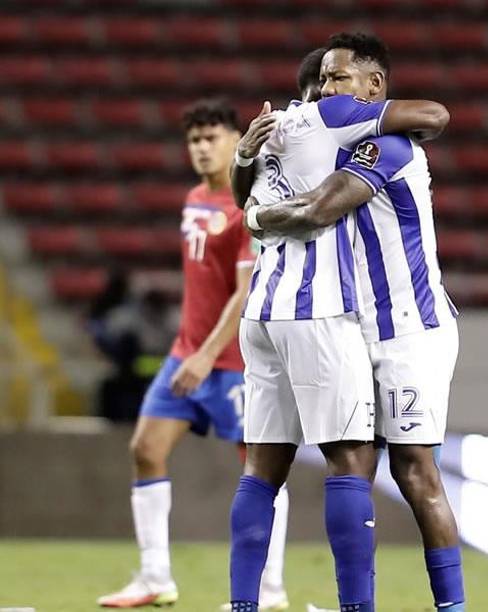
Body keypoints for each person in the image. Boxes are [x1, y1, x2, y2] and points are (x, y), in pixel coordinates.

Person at [241, 32, 466, 612]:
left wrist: (259, 217)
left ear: (374, 86)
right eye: (321, 80)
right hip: (351, 322)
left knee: (416, 471)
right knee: (356, 462)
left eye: (338, 78)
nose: (325, 89)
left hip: (409, 327)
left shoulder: (388, 147)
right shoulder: (337, 140)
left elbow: (320, 206)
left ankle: (453, 606)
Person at [96, 99, 291, 611]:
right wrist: (193, 350)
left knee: (260, 469)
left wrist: (207, 355)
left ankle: (269, 590)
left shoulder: (248, 207)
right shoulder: (193, 200)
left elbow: (244, 293)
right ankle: (155, 577)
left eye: (212, 137)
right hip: (186, 354)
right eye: (194, 140)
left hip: (232, 363)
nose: (202, 148)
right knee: (145, 449)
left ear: (236, 140)